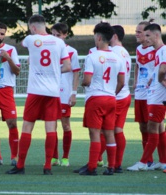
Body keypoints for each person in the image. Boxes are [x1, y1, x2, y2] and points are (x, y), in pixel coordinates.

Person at [6, 14, 71, 175]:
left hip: (35, 91)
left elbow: (27, 46)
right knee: (50, 128)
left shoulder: (30, 40)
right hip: (52, 92)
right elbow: (68, 66)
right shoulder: (59, 42)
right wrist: (55, 71)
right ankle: (47, 166)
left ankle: (20, 165)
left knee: (27, 127)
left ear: (33, 27)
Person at [78, 22, 125, 176]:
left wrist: (82, 83)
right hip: (111, 98)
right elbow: (122, 82)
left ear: (98, 38)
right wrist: (113, 92)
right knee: (109, 132)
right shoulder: (118, 58)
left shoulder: (92, 56)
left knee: (95, 133)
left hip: (96, 98)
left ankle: (92, 167)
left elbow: (87, 80)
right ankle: (111, 167)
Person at [127, 23, 166, 171]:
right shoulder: (158, 51)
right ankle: (163, 161)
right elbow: (158, 69)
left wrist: (160, 79)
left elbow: (163, 69)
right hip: (153, 93)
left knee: (152, 127)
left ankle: (143, 162)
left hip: (158, 95)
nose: (145, 38)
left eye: (148, 35)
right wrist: (154, 78)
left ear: (156, 35)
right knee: (157, 127)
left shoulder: (163, 50)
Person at [0, 22, 21, 166]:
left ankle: (15, 157)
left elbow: (17, 72)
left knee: (12, 123)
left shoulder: (11, 49)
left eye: (2, 34)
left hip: (6, 90)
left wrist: (8, 58)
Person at [50, 22, 80, 167]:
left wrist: (73, 93)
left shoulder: (72, 52)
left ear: (65, 35)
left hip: (64, 94)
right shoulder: (49, 50)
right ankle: (54, 157)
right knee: (51, 126)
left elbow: (76, 73)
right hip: (50, 92)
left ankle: (65, 158)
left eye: (58, 35)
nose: (56, 38)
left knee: (65, 125)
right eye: (53, 35)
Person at [132, 20, 156, 167]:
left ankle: (158, 160)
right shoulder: (138, 49)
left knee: (153, 126)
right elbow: (137, 65)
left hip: (152, 93)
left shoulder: (156, 50)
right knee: (142, 126)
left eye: (139, 32)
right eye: (136, 31)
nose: (136, 34)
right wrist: (135, 81)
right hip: (140, 92)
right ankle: (148, 160)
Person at [110, 25, 132, 173]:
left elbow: (116, 77)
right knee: (117, 129)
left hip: (117, 95)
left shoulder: (114, 52)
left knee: (106, 130)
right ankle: (117, 163)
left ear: (115, 36)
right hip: (125, 95)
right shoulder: (124, 52)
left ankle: (100, 161)